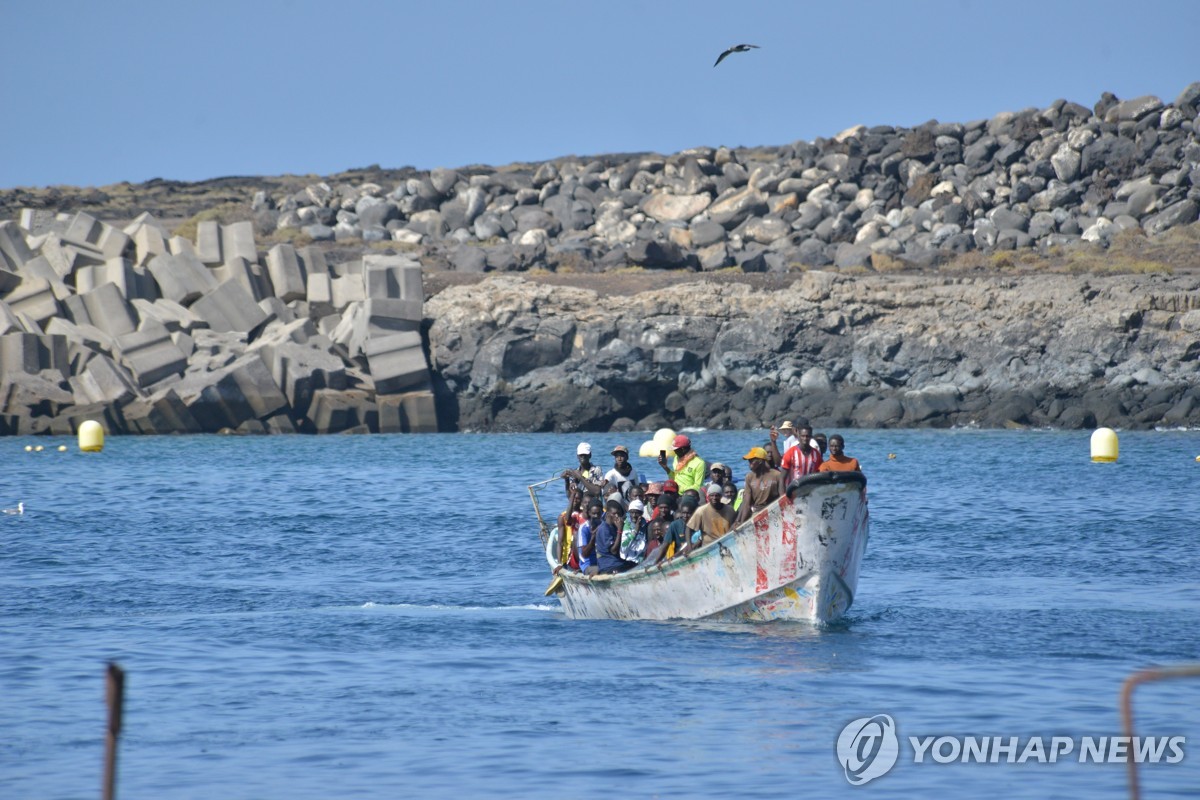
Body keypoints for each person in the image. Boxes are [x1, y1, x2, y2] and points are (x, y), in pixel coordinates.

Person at [736, 446, 785, 525]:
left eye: (752, 460)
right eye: (749, 460)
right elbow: (747, 504)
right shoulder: (749, 477)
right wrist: (741, 523)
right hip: (757, 513)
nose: (749, 463)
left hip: (774, 511)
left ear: (760, 461)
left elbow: (783, 498)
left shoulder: (777, 475)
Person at [594, 500, 637, 574]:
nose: (617, 516)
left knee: (637, 565)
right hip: (609, 565)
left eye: (618, 514)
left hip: (619, 562)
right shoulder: (604, 528)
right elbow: (613, 551)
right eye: (614, 514)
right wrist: (620, 530)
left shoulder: (615, 526)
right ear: (608, 514)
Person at [575, 496, 604, 574]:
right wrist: (593, 537)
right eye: (594, 514)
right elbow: (584, 554)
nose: (596, 516)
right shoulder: (584, 528)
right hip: (588, 565)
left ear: (602, 513)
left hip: (603, 562)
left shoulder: (605, 525)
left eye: (599, 514)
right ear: (589, 513)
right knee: (602, 570)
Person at [664, 495, 699, 559]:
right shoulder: (674, 525)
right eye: (683, 513)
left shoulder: (700, 524)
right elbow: (665, 545)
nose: (685, 516)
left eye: (688, 513)